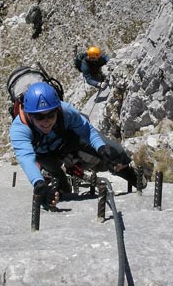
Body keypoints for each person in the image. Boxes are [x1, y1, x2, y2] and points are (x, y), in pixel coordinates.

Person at [10, 82, 145, 208]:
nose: (46, 121)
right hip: (44, 156)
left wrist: (102, 149)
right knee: (55, 172)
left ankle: (131, 175)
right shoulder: (19, 129)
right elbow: (27, 158)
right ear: (29, 114)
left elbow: (87, 131)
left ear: (57, 109)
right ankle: (62, 185)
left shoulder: (66, 111)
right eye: (39, 117)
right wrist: (39, 185)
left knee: (116, 153)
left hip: (69, 142)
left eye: (51, 115)